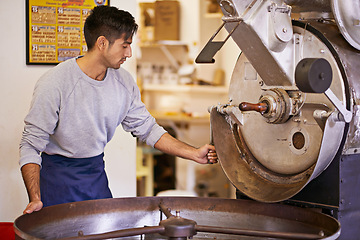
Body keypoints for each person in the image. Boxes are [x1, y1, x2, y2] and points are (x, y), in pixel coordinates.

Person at [19, 5, 218, 214]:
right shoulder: (55, 83)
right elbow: (31, 145)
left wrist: (194, 154)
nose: (129, 53)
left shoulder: (123, 82)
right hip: (57, 180)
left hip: (95, 176)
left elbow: (148, 129)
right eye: (125, 45)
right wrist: (35, 198)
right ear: (102, 43)